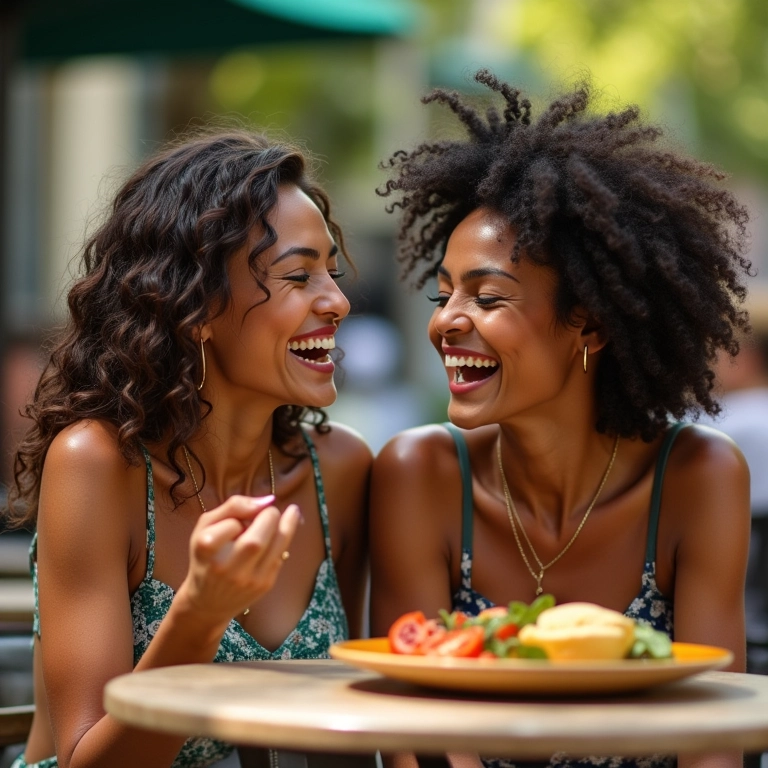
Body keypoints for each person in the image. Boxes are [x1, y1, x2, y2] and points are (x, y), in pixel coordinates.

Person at [371, 70, 751, 768]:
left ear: (590, 324)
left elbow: (714, 740)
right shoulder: (419, 474)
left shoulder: (698, 476)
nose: (446, 323)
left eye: (487, 298)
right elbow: (417, 741)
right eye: (444, 292)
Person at [2, 129, 372, 768]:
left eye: (331, 273)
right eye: (297, 276)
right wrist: (199, 614)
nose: (337, 301)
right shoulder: (97, 466)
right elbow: (88, 759)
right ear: (196, 307)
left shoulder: (338, 471)